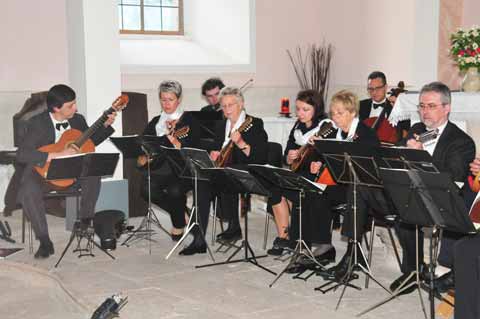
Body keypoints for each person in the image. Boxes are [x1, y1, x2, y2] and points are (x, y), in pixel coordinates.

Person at [326, 82, 476, 295]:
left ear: (447, 108)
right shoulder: (416, 130)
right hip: (403, 193)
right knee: (359, 185)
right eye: (422, 106)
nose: (425, 111)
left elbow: (452, 179)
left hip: (435, 201)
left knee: (406, 207)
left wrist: (422, 155)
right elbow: (393, 161)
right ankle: (353, 251)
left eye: (431, 106)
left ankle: (412, 270)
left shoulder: (461, 141)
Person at [16, 84, 117, 259]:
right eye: (70, 106)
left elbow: (89, 142)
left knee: (94, 173)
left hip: (72, 172)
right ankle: (45, 241)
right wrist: (56, 154)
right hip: (45, 173)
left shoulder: (77, 120)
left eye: (74, 103)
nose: (75, 108)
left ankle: (85, 224)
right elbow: (22, 154)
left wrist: (105, 126)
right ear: (56, 108)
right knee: (27, 190)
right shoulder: (37, 123)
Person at [181, 86, 268, 255]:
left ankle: (233, 226)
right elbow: (215, 148)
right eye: (224, 106)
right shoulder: (221, 125)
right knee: (201, 182)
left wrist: (241, 142)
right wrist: (214, 154)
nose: (227, 110)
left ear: (241, 104)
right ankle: (199, 239)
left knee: (224, 173)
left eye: (231, 105)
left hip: (245, 172)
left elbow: (260, 157)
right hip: (224, 171)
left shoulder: (254, 123)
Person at [264, 89, 331, 257]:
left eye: (305, 110)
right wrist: (290, 156)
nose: (300, 113)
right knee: (275, 190)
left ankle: (297, 239)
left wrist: (315, 158)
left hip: (315, 177)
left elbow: (327, 157)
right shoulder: (298, 125)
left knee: (292, 191)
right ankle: (284, 237)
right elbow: (287, 154)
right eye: (298, 109)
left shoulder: (325, 127)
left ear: (316, 108)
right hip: (298, 173)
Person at [138, 80, 200, 241]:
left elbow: (196, 148)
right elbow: (143, 144)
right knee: (146, 190)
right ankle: (180, 212)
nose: (166, 103)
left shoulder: (189, 120)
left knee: (175, 190)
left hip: (183, 170)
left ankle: (178, 224)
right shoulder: (155, 121)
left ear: (178, 100)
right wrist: (145, 154)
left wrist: (178, 143)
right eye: (163, 99)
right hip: (159, 169)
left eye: (170, 99)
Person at [359, 71, 410, 142]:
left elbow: (406, 134)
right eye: (371, 89)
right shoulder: (359, 106)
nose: (374, 92)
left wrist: (398, 109)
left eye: (378, 88)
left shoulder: (396, 107)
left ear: (385, 87)